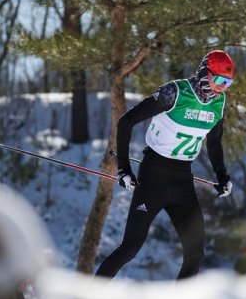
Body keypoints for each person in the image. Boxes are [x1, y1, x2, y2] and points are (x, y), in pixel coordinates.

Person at [95, 50, 235, 280]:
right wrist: (124, 168)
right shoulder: (175, 92)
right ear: (203, 73)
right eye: (219, 79)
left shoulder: (219, 102)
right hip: (153, 176)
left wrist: (222, 175)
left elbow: (214, 142)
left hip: (183, 181)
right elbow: (126, 122)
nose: (222, 87)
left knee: (195, 254)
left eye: (228, 82)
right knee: (130, 248)